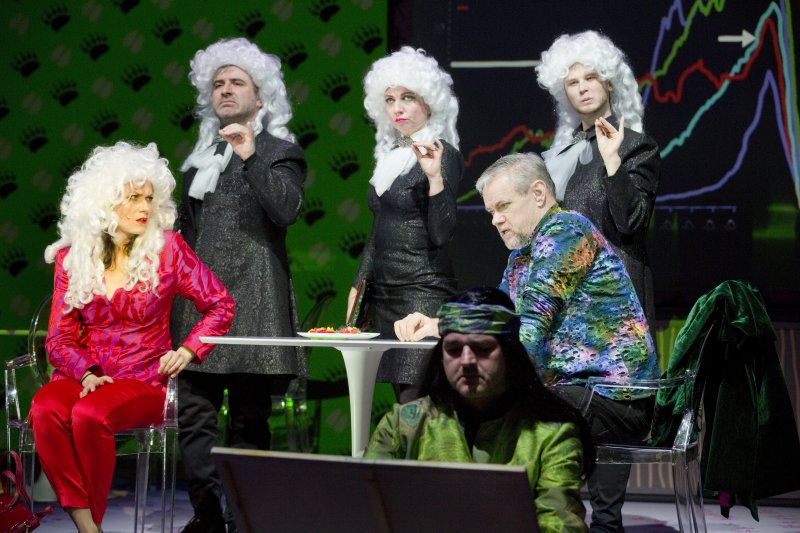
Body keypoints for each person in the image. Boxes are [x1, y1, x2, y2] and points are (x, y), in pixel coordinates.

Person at [395, 153, 659, 533]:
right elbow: (496, 319)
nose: (495, 220)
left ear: (538, 194)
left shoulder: (565, 231)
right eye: (490, 212)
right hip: (573, 388)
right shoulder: (523, 255)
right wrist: (438, 324)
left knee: (497, 411)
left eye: (503, 206)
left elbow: (529, 332)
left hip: (614, 396)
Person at [28, 141, 234, 533]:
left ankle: (91, 526)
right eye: (134, 198)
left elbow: (220, 304)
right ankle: (87, 524)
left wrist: (189, 349)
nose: (145, 208)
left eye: (150, 198)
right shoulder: (74, 257)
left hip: (143, 380)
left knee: (90, 415)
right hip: (85, 376)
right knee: (44, 408)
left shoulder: (168, 250)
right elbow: (58, 340)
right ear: (104, 203)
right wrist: (87, 372)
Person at [170, 37, 306, 533]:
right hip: (198, 307)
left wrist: (250, 156)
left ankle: (245, 518)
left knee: (249, 421)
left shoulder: (280, 152)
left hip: (254, 301)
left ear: (260, 96)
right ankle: (208, 518)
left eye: (237, 83)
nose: (225, 90)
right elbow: (181, 232)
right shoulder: (200, 158)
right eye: (218, 84)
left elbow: (286, 210)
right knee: (195, 419)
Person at [367, 287, 594, 532]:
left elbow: (559, 525)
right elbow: (366, 509)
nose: (467, 360)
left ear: (509, 353)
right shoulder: (404, 425)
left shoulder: (551, 436)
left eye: (483, 348)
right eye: (454, 349)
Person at [348, 46, 463, 404]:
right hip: (385, 295)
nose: (397, 107)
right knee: (402, 402)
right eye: (390, 99)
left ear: (429, 102)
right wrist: (359, 285)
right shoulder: (390, 158)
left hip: (422, 291)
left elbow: (443, 232)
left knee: (417, 401)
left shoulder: (442, 153)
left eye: (408, 97)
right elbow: (378, 230)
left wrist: (435, 179)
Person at [536, 30, 660, 327]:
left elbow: (631, 223)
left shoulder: (635, 145)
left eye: (591, 78)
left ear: (609, 82)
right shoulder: (561, 154)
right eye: (573, 83)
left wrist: (613, 160)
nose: (583, 88)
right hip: (569, 294)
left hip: (615, 296)